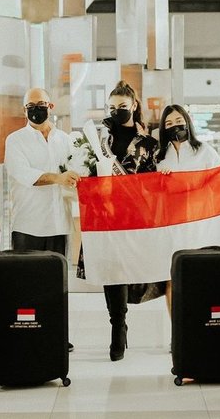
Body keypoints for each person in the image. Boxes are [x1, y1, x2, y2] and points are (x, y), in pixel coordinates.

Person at [84, 80, 159, 362]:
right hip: (106, 215)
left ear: (134, 106)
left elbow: (153, 181)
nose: (117, 112)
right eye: (112, 108)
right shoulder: (100, 142)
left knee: (129, 269)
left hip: (136, 216)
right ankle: (118, 327)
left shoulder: (149, 144)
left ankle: (125, 319)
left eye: (122, 107)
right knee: (111, 270)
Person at [4, 88, 79, 352]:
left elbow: (78, 170)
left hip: (60, 224)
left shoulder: (66, 140)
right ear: (24, 110)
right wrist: (59, 178)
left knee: (57, 286)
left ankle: (57, 335)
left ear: (51, 106)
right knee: (26, 285)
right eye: (31, 105)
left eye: (41, 104)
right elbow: (23, 173)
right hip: (28, 224)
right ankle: (27, 336)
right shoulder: (15, 140)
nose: (37, 109)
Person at [155, 104, 220, 316]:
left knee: (196, 277)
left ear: (187, 122)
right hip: (168, 226)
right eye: (168, 123)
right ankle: (177, 333)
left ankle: (196, 329)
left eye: (178, 121)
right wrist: (160, 180)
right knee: (171, 278)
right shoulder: (159, 155)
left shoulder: (204, 151)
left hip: (197, 225)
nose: (174, 126)